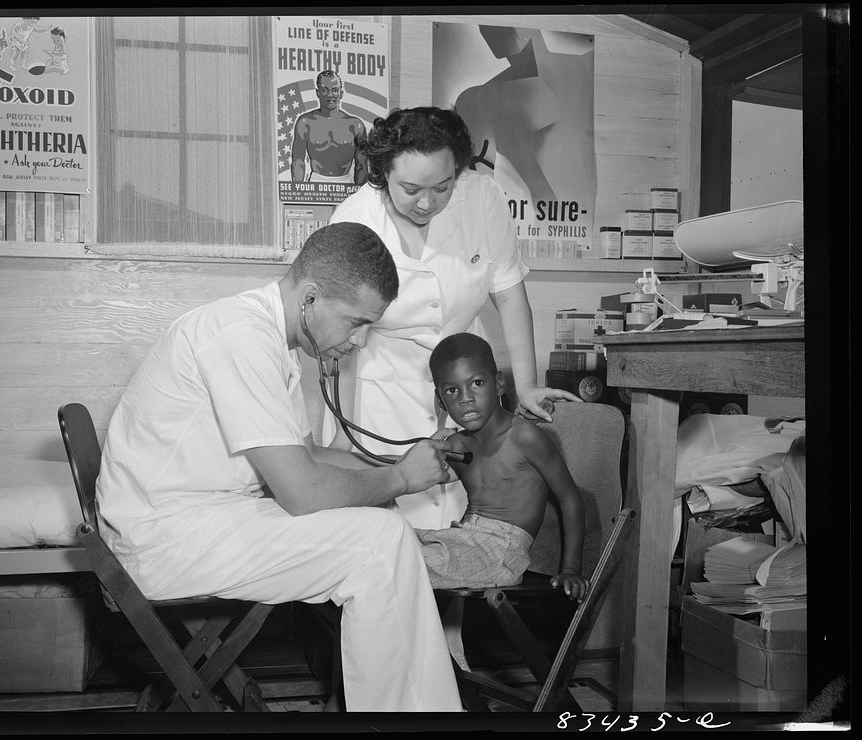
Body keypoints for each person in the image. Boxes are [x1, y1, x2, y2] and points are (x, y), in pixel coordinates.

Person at [95, 221, 462, 712]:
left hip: (194, 519)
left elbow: (306, 455)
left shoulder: (266, 335)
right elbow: (303, 491)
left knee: (385, 526)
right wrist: (399, 479)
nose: (361, 341)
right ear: (310, 297)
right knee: (380, 543)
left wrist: (405, 462)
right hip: (163, 540)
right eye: (356, 322)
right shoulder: (241, 337)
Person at [324, 106, 580, 530]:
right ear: (383, 171)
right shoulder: (355, 218)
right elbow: (342, 334)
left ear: (458, 172)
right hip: (382, 389)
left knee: (466, 518)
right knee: (386, 528)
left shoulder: (482, 197)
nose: (426, 202)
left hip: (465, 382)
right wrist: (340, 428)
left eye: (442, 187)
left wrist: (528, 383)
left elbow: (510, 294)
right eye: (410, 189)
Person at [415, 333, 589, 600]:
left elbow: (570, 499)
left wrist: (571, 569)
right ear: (440, 400)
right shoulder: (458, 444)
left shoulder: (524, 437)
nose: (466, 398)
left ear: (498, 385)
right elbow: (417, 472)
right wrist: (433, 446)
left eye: (476, 383)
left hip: (503, 552)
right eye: (452, 391)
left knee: (402, 565)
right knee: (393, 541)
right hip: (463, 537)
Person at [291, 70, 367, 184]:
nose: (330, 95)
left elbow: (361, 165)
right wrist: (297, 191)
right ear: (318, 92)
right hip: (317, 182)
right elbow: (298, 161)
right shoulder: (305, 122)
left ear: (341, 93)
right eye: (325, 90)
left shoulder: (356, 125)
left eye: (334, 90)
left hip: (346, 184)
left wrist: (359, 194)